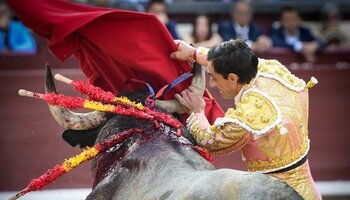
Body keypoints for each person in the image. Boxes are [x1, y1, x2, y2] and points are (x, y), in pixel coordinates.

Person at [170, 39, 321, 200]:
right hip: (310, 192)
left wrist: (197, 111)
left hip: (276, 195)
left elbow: (209, 141)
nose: (212, 84)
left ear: (233, 79)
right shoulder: (271, 69)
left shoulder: (248, 116)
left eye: (214, 77)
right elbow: (232, 61)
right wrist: (194, 53)